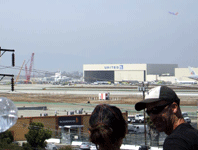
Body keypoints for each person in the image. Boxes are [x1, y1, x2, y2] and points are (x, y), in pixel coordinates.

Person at [135, 86, 198, 150]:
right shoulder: (193, 134)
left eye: (156, 110)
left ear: (174, 107)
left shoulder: (175, 142)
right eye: (148, 112)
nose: (152, 117)